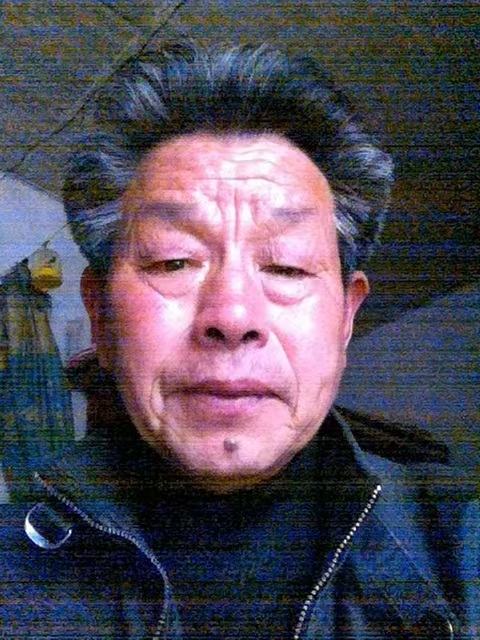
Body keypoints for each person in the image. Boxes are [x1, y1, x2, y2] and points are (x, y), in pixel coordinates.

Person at [1, 40, 477, 640]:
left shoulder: (462, 549)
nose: (231, 315)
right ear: (100, 314)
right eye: (173, 261)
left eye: (287, 267)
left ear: (345, 317)